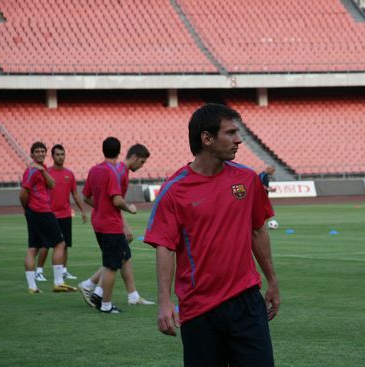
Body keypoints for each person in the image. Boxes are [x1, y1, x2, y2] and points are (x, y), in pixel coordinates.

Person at [144, 104, 280, 366]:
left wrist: (272, 280)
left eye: (237, 132)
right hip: (199, 309)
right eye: (230, 133)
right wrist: (164, 301)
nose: (239, 140)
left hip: (247, 302)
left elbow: (257, 229)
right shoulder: (174, 190)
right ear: (206, 138)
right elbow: (165, 247)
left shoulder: (248, 179)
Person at [79, 143, 154, 306]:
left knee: (123, 257)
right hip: (111, 223)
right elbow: (115, 201)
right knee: (115, 259)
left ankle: (128, 295)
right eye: (141, 162)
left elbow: (95, 199)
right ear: (134, 157)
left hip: (107, 221)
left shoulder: (120, 171)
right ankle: (94, 289)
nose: (142, 166)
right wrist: (124, 225)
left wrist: (101, 207)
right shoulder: (118, 172)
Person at [20, 141, 78, 293]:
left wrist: (43, 170)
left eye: (42, 151)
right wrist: (27, 208)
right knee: (60, 244)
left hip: (36, 212)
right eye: (37, 152)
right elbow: (23, 193)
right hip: (42, 211)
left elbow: (52, 184)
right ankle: (58, 281)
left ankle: (32, 287)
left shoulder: (42, 169)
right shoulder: (31, 171)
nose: (40, 154)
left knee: (33, 247)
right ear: (32, 154)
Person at [34, 144, 88, 282]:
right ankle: (39, 271)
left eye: (62, 154)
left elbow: (75, 193)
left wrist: (82, 210)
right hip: (49, 214)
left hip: (65, 214)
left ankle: (63, 270)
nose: (60, 157)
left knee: (65, 244)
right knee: (45, 244)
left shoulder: (69, 174)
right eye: (57, 154)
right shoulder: (47, 172)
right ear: (52, 156)